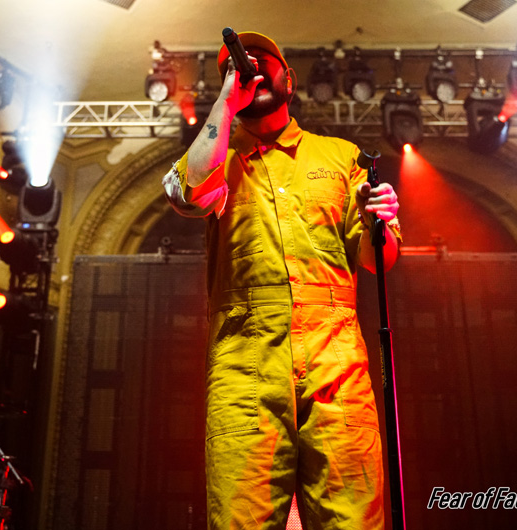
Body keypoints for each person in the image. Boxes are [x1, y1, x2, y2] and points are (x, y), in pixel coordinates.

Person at [163, 31, 401, 530]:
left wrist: (382, 219)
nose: (248, 69)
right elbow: (188, 195)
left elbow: (380, 261)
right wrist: (228, 103)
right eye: (233, 67)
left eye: (259, 62)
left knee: (353, 517)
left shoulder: (340, 156)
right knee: (240, 519)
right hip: (244, 365)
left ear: (288, 78)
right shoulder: (217, 158)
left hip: (336, 360)